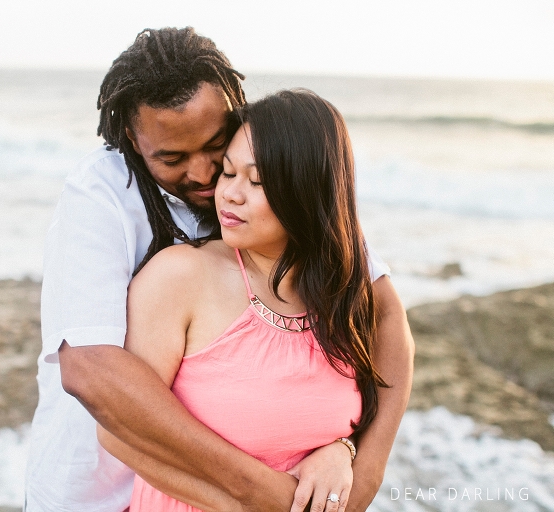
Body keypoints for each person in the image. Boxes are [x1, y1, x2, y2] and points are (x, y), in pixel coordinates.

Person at [24, 27, 414, 512]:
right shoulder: (100, 195)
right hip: (96, 492)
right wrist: (263, 496)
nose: (207, 175)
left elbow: (385, 312)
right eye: (172, 158)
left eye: (216, 148)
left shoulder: (271, 176)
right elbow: (91, 371)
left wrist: (361, 461)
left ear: (236, 103)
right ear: (131, 136)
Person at [97, 88, 390, 511]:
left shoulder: (344, 295)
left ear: (307, 190)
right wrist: (250, 503)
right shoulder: (180, 277)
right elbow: (119, 430)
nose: (229, 194)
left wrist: (343, 449)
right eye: (228, 173)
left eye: (256, 181)